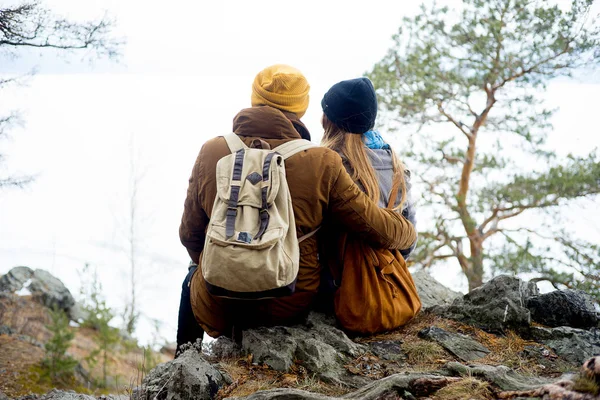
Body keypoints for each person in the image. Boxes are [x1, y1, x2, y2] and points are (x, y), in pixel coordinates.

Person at [176, 65, 417, 353]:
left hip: (217, 303)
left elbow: (189, 235)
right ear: (301, 108)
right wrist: (407, 231)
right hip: (288, 301)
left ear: (254, 98)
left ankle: (184, 358)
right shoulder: (321, 161)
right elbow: (374, 224)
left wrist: (225, 267)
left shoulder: (211, 151)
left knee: (193, 272)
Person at [318, 77, 420, 329]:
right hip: (388, 284)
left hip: (336, 291)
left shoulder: (329, 164)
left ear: (329, 120)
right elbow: (408, 242)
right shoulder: (398, 167)